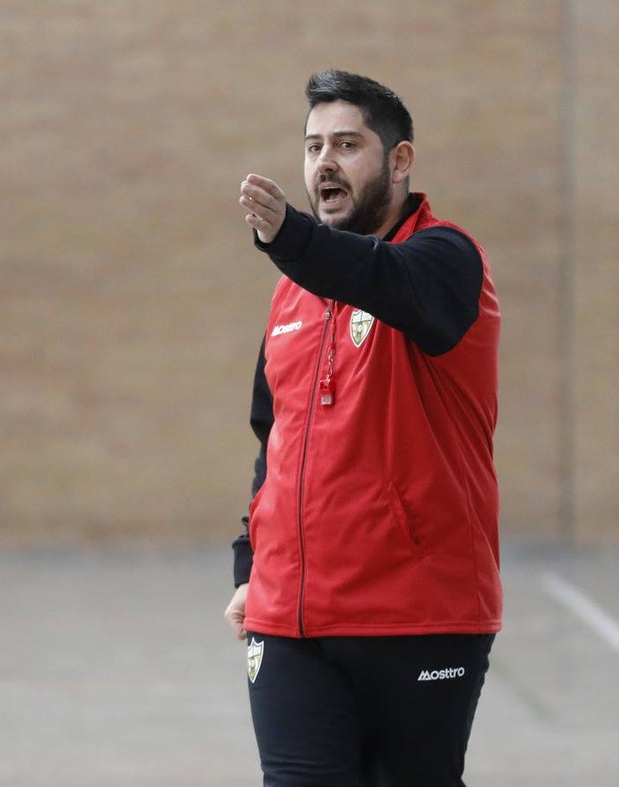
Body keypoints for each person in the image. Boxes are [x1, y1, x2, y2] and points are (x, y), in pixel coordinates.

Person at [225, 70, 502, 786]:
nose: (324, 162)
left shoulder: (447, 260)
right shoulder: (293, 288)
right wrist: (249, 566)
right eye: (314, 146)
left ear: (399, 160)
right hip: (290, 619)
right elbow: (276, 440)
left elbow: (376, 277)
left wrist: (290, 236)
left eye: (347, 144)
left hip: (418, 612)